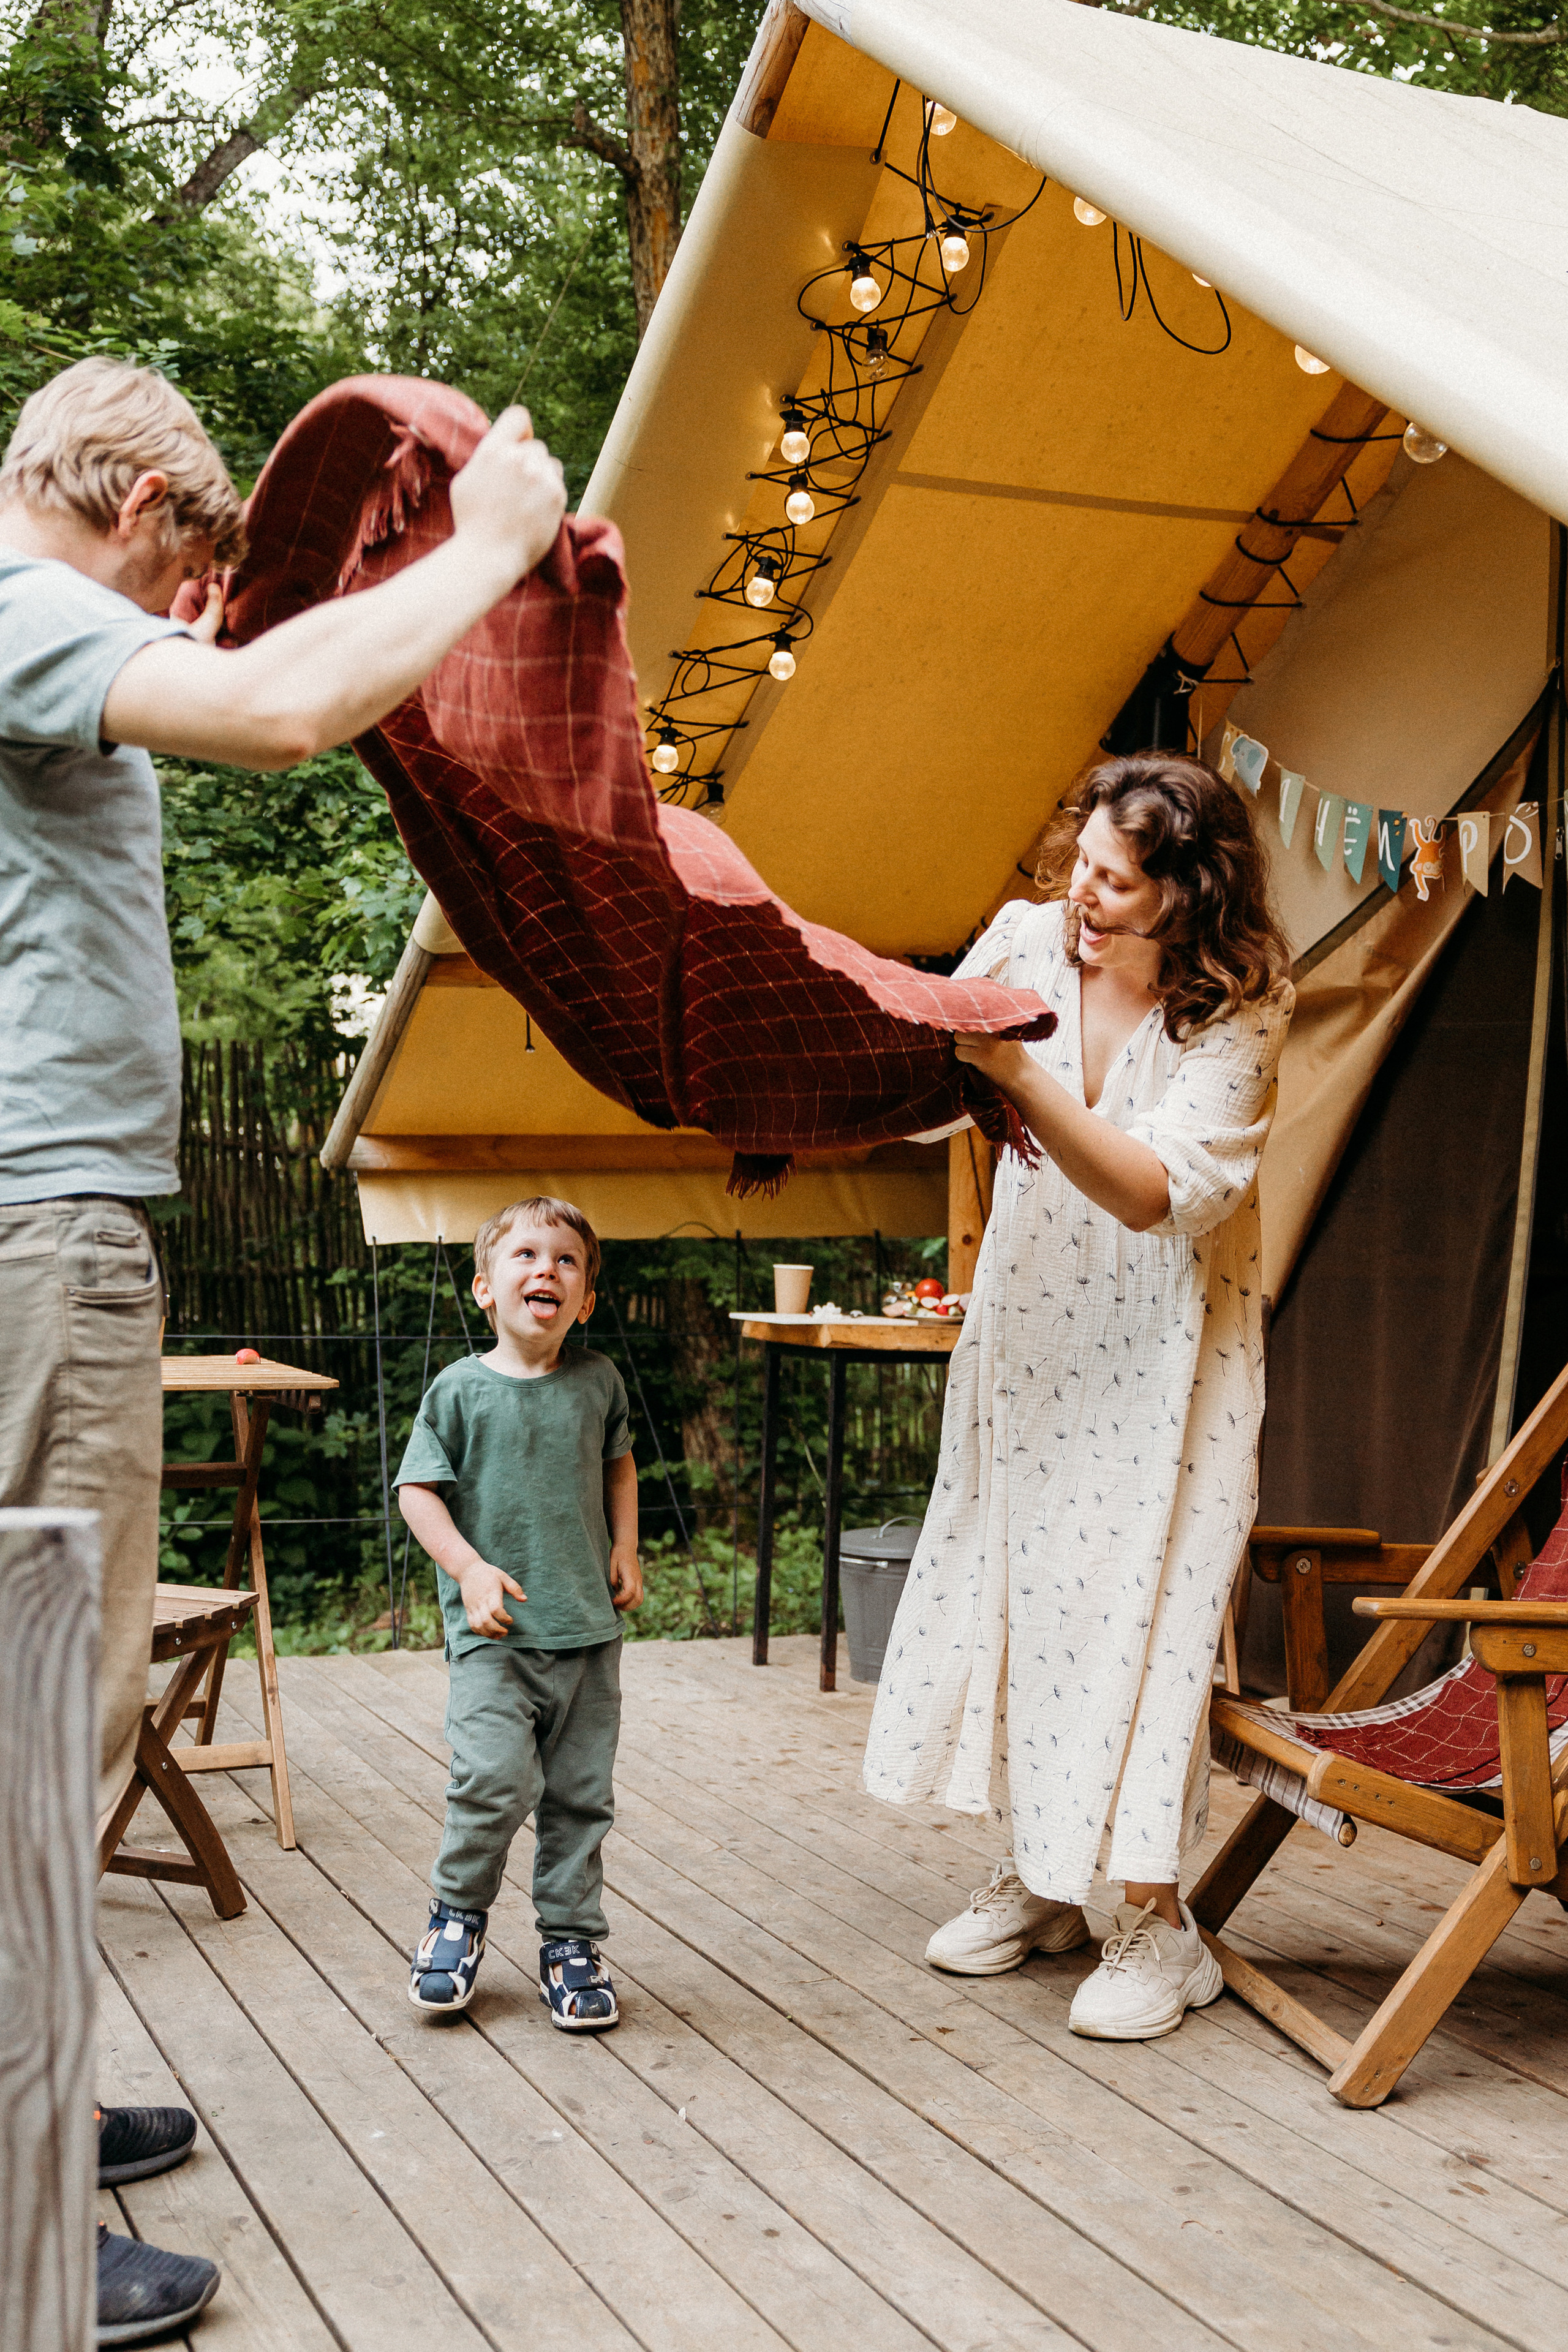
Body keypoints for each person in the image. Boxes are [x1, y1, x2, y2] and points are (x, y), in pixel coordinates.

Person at [0, 356, 566, 2341]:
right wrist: (490, 549)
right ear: (148, 500)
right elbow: (277, 705)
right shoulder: (24, 607)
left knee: (44, 1703)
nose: (188, 611)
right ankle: (15, 2230)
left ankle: (35, 2115)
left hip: (55, 1231)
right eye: (195, 562)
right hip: (35, 1234)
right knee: (37, 1719)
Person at [863, 752, 1294, 2041]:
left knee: (1144, 1617)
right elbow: (927, 1102)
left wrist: (1012, 1074)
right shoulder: (1023, 939)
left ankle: (1158, 1926)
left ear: (1187, 894)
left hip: (1170, 1357)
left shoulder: (1245, 1001)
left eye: (1114, 881)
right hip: (1033, 1330)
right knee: (1025, 1602)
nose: (1082, 897)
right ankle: (1047, 1877)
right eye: (1079, 864)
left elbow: (1162, 1196)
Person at [394, 1196, 641, 2028]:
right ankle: (456, 1918)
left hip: (587, 1636)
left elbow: (620, 1467)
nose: (548, 1269)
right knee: (492, 1782)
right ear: (484, 1290)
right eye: (527, 1256)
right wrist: (468, 1570)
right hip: (494, 1639)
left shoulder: (598, 1381)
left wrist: (625, 1547)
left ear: (587, 1299)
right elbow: (417, 1492)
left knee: (579, 1798)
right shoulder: (458, 1391)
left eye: (567, 1260)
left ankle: (570, 1941)